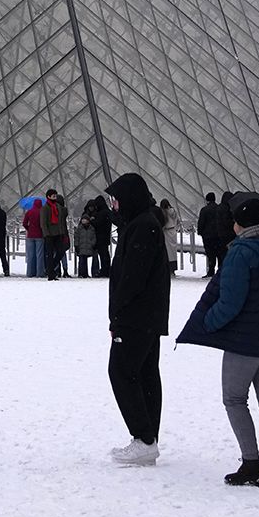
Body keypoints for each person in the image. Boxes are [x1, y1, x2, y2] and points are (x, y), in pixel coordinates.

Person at [176, 192, 259, 489]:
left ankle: (250, 462)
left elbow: (229, 303)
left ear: (240, 224)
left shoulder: (241, 253)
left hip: (246, 342)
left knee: (234, 399)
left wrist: (207, 322)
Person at [105, 172, 172, 467]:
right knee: (145, 374)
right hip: (148, 315)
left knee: (121, 371)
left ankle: (143, 438)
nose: (115, 205)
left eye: (117, 200)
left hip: (136, 316)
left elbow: (132, 277)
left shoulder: (143, 227)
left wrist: (117, 314)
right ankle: (148, 439)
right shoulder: (144, 223)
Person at [196, 193, 231, 277]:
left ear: (207, 200)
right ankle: (220, 270)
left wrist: (200, 232)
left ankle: (211, 271)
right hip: (218, 235)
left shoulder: (204, 210)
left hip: (208, 236)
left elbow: (201, 222)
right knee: (219, 254)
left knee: (210, 254)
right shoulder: (219, 208)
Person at [38, 189, 69, 280]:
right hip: (49, 235)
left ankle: (49, 269)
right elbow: (43, 222)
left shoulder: (58, 207)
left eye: (55, 196)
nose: (55, 197)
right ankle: (51, 274)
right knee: (50, 255)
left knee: (61, 252)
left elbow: (61, 219)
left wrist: (62, 232)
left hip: (58, 234)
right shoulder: (45, 208)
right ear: (48, 197)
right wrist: (46, 234)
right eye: (53, 196)